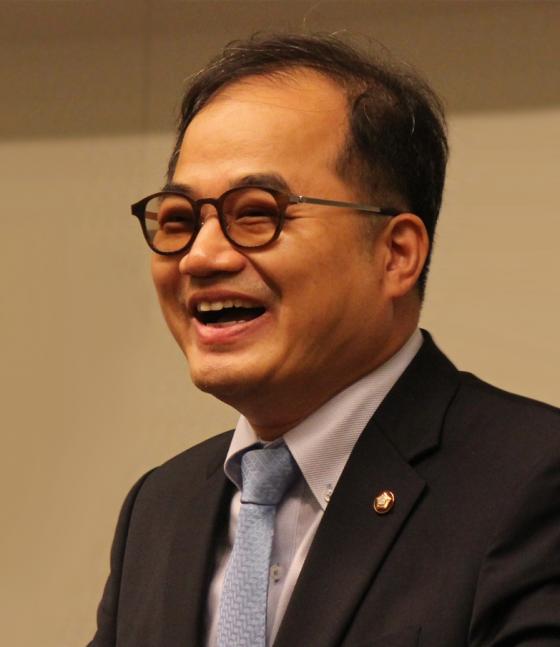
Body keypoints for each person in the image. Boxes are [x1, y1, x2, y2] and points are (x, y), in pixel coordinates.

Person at [89, 33, 560, 647]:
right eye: (178, 220)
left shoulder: (532, 480)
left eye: (256, 214)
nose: (200, 257)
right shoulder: (160, 508)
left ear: (396, 254)